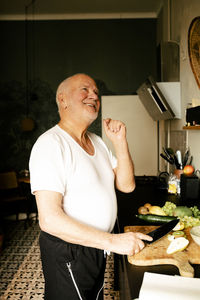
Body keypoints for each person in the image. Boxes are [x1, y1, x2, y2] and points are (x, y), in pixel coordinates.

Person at [29, 73, 152, 300]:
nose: (94, 95)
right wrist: (113, 241)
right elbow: (49, 219)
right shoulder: (50, 144)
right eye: (85, 90)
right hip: (69, 251)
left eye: (96, 92)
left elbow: (126, 185)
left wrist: (120, 142)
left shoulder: (97, 142)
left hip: (95, 245)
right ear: (63, 100)